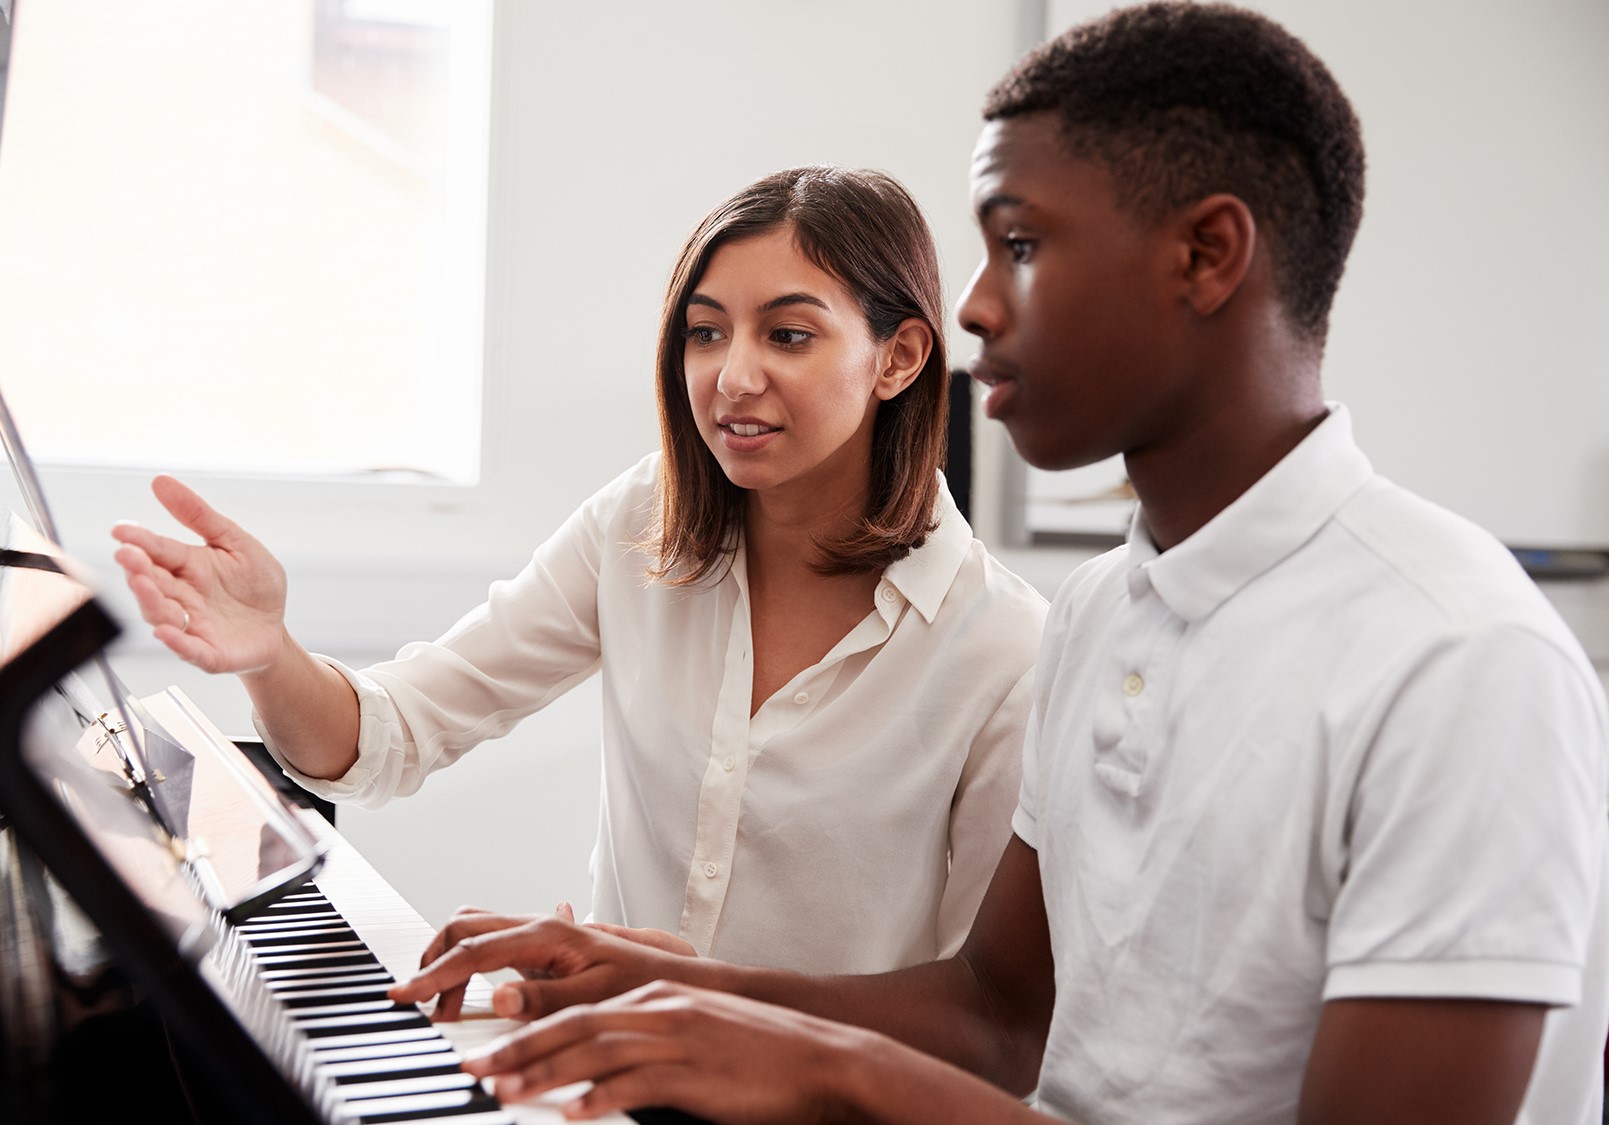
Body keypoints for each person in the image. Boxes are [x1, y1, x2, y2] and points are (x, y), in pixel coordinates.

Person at [384, 4, 1609, 1123]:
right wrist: (670, 987)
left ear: (1204, 256)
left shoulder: (1458, 662)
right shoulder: (1103, 612)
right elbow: (995, 1011)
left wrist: (820, 1065)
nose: (971, 308)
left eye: (1017, 245)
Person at [110, 166, 1049, 978]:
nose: (730, 376)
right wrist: (270, 654)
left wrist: (694, 1008)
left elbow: (977, 1014)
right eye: (705, 331)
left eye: (788, 335)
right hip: (611, 1081)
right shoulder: (643, 524)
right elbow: (392, 736)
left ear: (899, 356)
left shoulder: (1006, 649)